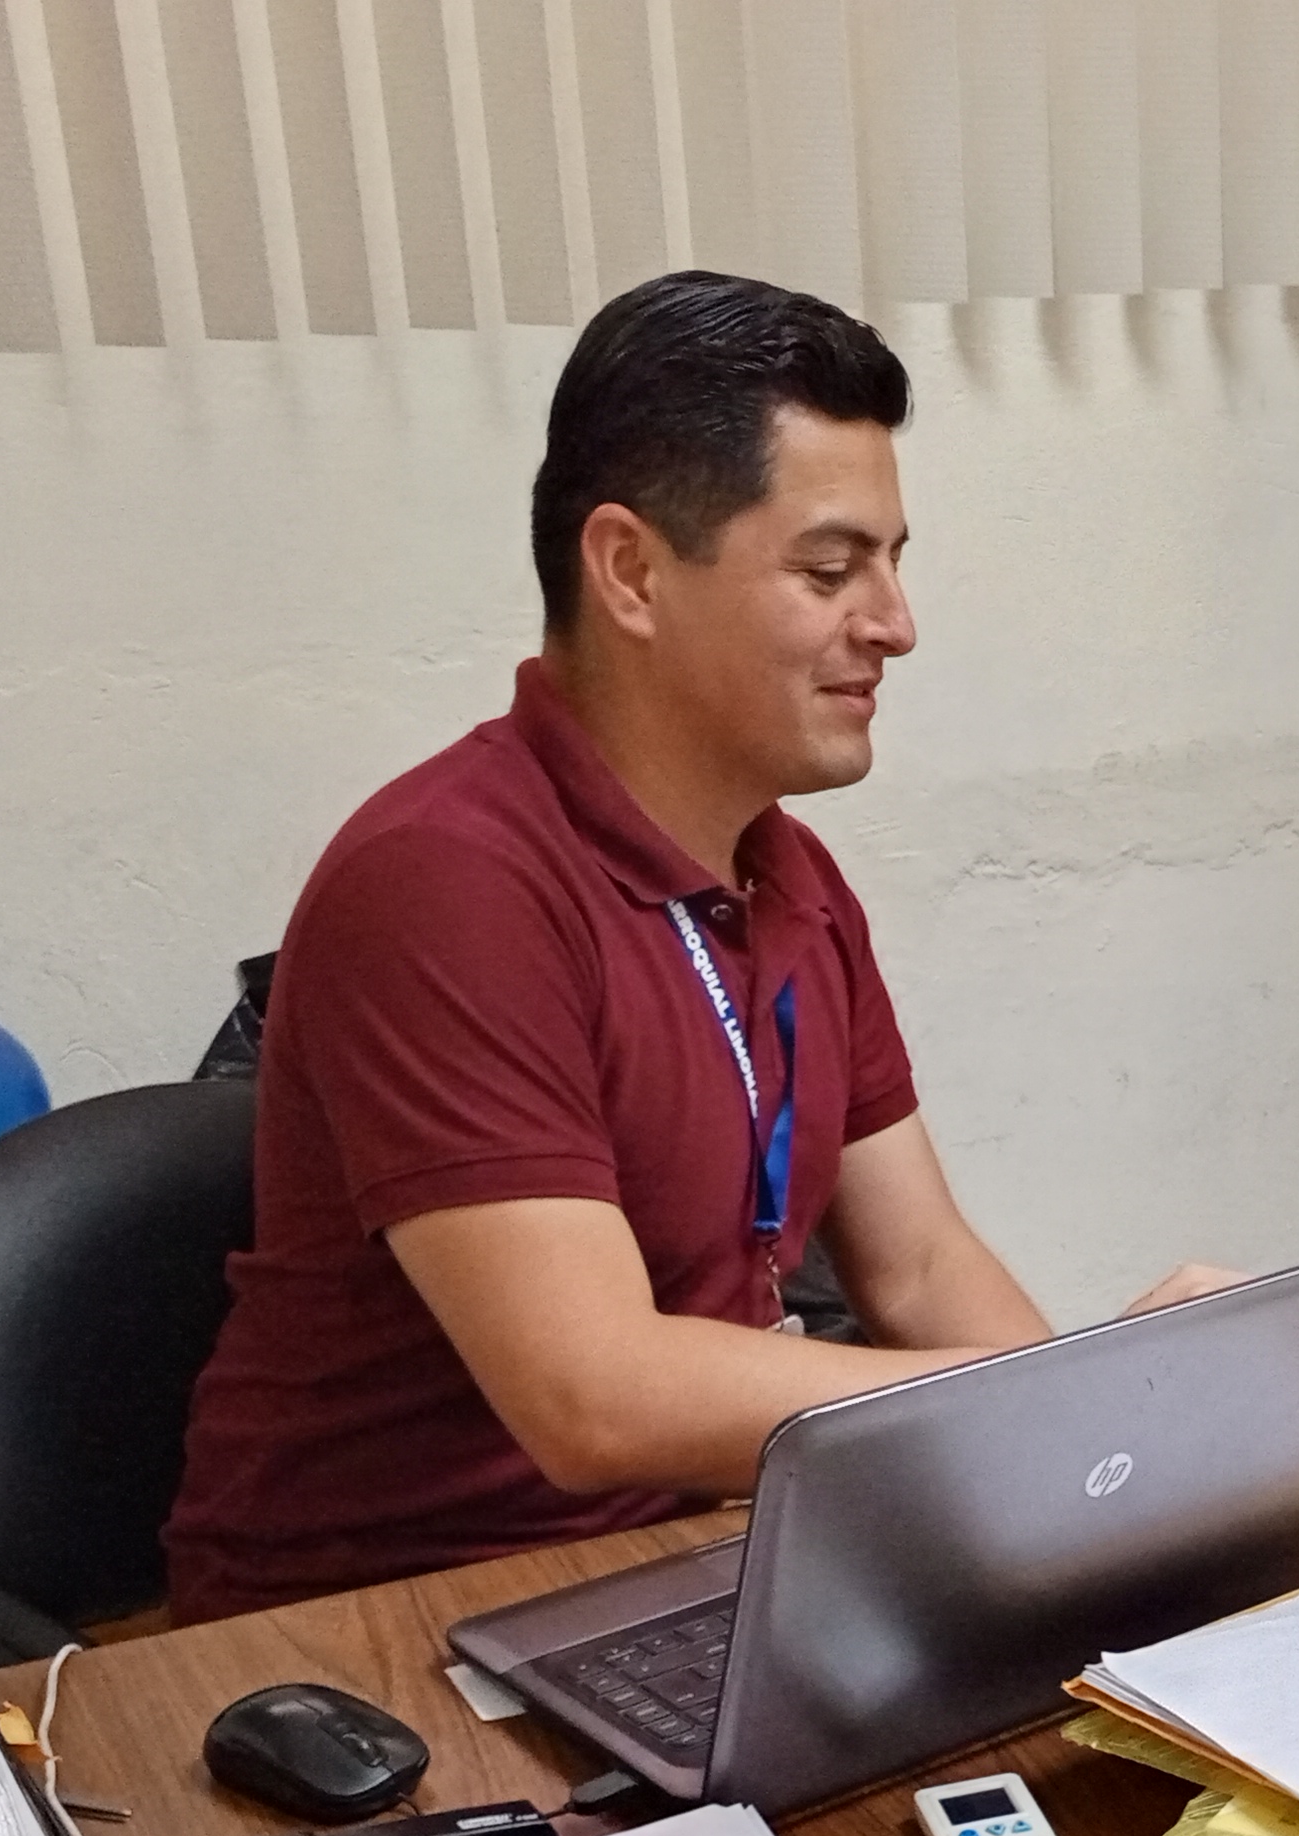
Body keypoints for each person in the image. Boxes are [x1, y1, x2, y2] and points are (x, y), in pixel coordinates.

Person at [169, 271, 1225, 1621]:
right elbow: (593, 1398)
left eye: (894, 563)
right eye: (830, 571)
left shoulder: (789, 876)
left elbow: (916, 1265)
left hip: (685, 1563)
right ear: (631, 572)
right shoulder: (445, 882)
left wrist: (1086, 1466)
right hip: (378, 1627)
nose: (894, 624)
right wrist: (1035, 1404)